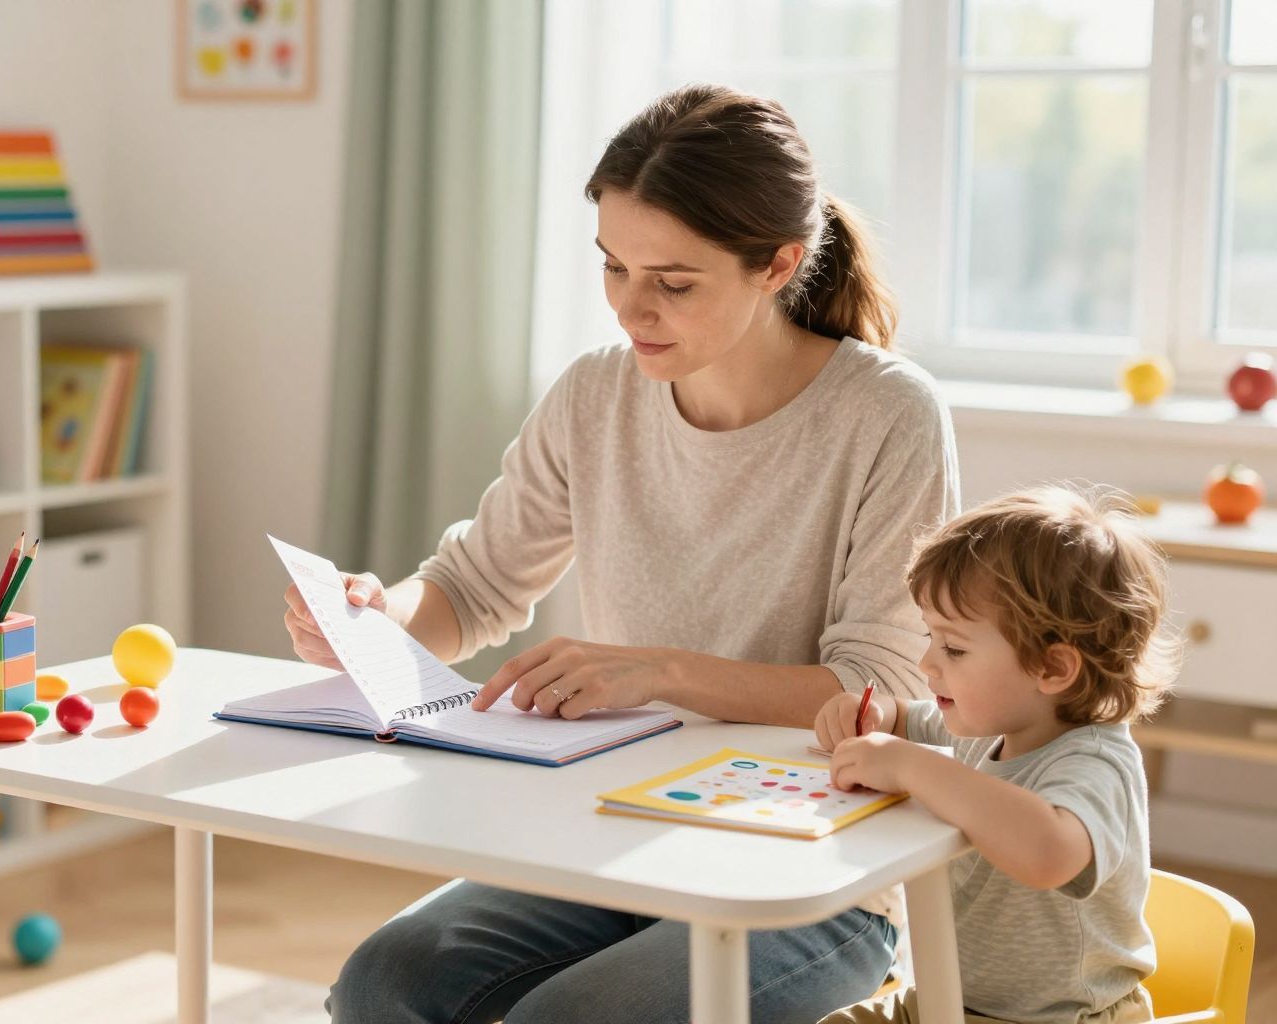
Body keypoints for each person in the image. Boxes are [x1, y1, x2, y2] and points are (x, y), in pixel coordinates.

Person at [290, 83, 960, 1023]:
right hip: (617, 826)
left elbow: (879, 692)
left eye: (673, 283)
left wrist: (661, 672)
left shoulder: (888, 414)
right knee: (383, 985)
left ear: (778, 265)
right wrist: (374, 618)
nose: (630, 309)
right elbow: (473, 586)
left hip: (818, 863)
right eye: (613, 269)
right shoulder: (596, 395)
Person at [814, 485, 1177, 1024]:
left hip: (1061, 1018)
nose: (927, 663)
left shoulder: (1096, 764)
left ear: (1052, 668)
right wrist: (876, 715)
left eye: (953, 648)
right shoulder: (986, 724)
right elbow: (911, 720)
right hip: (940, 1000)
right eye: (931, 638)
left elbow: (1048, 853)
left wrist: (911, 765)